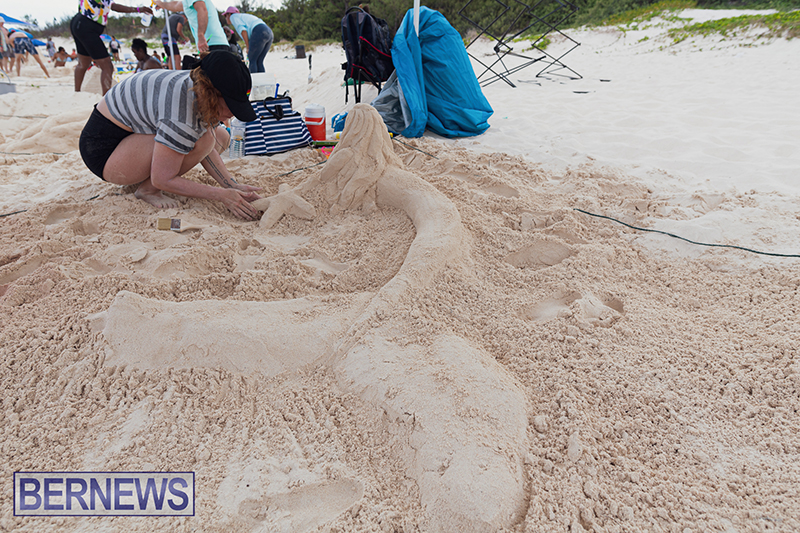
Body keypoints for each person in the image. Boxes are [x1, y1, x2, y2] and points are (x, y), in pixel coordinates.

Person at [78, 51, 261, 220]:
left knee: (219, 136)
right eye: (230, 105)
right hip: (103, 152)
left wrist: (231, 185)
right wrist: (222, 195)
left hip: (130, 138)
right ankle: (148, 190)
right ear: (211, 93)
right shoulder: (181, 110)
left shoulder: (197, 86)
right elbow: (163, 178)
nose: (233, 114)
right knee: (204, 140)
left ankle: (149, 179)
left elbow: (202, 143)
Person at [70, 0, 153, 95]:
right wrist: (138, 9)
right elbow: (114, 6)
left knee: (83, 63)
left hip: (78, 23)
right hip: (87, 27)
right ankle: (105, 97)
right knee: (107, 66)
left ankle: (76, 93)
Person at [154, 0, 228, 54]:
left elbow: (202, 10)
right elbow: (175, 5)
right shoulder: (188, 1)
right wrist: (161, 4)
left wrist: (201, 36)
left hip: (211, 43)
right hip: (212, 44)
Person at [222, 7, 273, 74]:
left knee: (252, 60)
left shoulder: (233, 17)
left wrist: (248, 47)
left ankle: (253, 79)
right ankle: (261, 79)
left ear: (229, 14)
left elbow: (243, 31)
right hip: (269, 32)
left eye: (225, 15)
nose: (226, 18)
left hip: (259, 31)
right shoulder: (242, 17)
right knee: (259, 61)